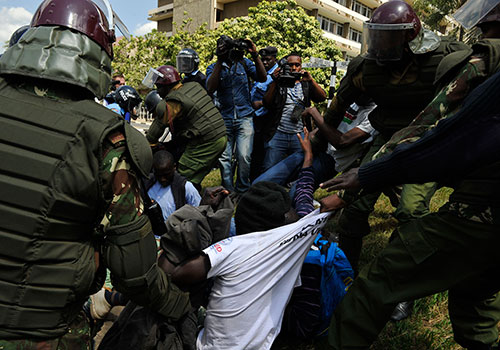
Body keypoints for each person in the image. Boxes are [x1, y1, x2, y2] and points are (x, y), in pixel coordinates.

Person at [0, 0, 191, 347]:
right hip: (43, 333)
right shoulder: (108, 139)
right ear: (97, 55)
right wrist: (179, 305)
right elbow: (134, 273)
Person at [318, 64, 500, 350]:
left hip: (480, 212)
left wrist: (367, 175)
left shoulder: (483, 72)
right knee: (476, 291)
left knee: (380, 279)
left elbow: (448, 142)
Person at [313, 1, 468, 303]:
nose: (379, 44)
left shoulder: (447, 57)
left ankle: (404, 287)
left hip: (428, 141)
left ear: (410, 37)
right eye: (377, 35)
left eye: (388, 37)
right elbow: (337, 108)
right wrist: (318, 147)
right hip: (384, 138)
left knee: (411, 211)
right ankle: (345, 275)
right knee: (354, 207)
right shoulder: (366, 68)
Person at [254, 98, 377, 196]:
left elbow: (342, 141)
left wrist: (314, 113)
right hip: (314, 148)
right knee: (262, 183)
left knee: (295, 196)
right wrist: (315, 133)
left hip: (330, 161)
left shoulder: (375, 115)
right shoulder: (353, 101)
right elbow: (331, 123)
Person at [144, 65, 227, 189]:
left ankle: (184, 205)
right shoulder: (193, 86)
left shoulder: (171, 102)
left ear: (165, 86)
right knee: (192, 178)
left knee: (180, 178)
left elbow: (152, 136)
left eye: (158, 87)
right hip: (220, 136)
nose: (158, 92)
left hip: (206, 142)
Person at [206, 35, 267, 195]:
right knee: (224, 159)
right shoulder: (213, 67)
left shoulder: (244, 63)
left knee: (244, 156)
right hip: (224, 118)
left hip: (244, 116)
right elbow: (210, 88)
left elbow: (263, 77)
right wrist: (220, 60)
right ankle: (228, 191)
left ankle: (242, 190)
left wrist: (254, 54)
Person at [261, 53, 326, 171]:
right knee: (269, 168)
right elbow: (267, 102)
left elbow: (322, 98)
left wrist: (311, 80)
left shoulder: (305, 84)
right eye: (291, 65)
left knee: (298, 169)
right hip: (278, 133)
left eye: (297, 65)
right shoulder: (279, 83)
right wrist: (275, 81)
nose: (294, 68)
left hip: (299, 134)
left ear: (301, 66)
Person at [249, 46, 279, 180]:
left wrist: (260, 103)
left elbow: (278, 99)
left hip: (268, 120)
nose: (265, 62)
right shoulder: (261, 72)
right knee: (255, 153)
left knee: (264, 155)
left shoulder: (277, 74)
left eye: (268, 60)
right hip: (256, 118)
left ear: (275, 59)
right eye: (263, 60)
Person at [147, 150, 201, 221]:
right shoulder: (147, 185)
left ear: (174, 167)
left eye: (166, 174)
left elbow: (200, 212)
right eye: (159, 175)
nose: (163, 179)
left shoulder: (185, 187)